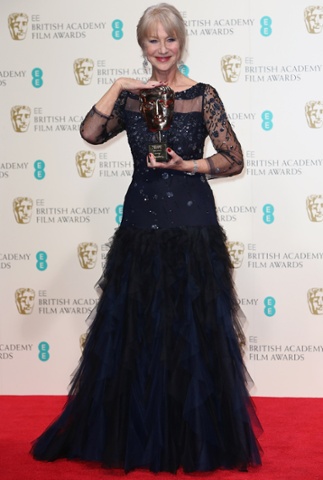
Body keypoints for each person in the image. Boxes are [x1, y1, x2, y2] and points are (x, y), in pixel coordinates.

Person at [31, 3, 262, 473]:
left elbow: (233, 159)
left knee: (192, 336)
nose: (162, 48)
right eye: (152, 40)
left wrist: (189, 165)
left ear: (181, 44)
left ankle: (196, 437)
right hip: (140, 224)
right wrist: (119, 86)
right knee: (137, 332)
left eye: (170, 39)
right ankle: (135, 435)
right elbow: (90, 133)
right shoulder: (132, 100)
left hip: (192, 223)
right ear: (142, 45)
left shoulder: (202, 96)